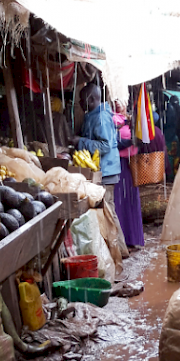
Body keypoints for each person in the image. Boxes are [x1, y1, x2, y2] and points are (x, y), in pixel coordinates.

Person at [71, 84, 129, 258]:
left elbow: (104, 146)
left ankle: (120, 250)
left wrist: (80, 141)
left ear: (90, 99)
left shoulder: (102, 117)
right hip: (103, 170)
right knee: (107, 212)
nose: (80, 104)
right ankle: (117, 250)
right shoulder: (95, 115)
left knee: (109, 212)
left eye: (82, 101)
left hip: (107, 171)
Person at [112, 101, 144, 248]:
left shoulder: (131, 120)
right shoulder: (112, 119)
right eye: (116, 101)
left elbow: (140, 139)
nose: (119, 104)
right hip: (118, 165)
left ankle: (133, 238)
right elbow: (113, 141)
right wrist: (127, 142)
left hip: (131, 165)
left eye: (122, 101)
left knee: (130, 200)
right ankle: (122, 240)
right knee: (119, 201)